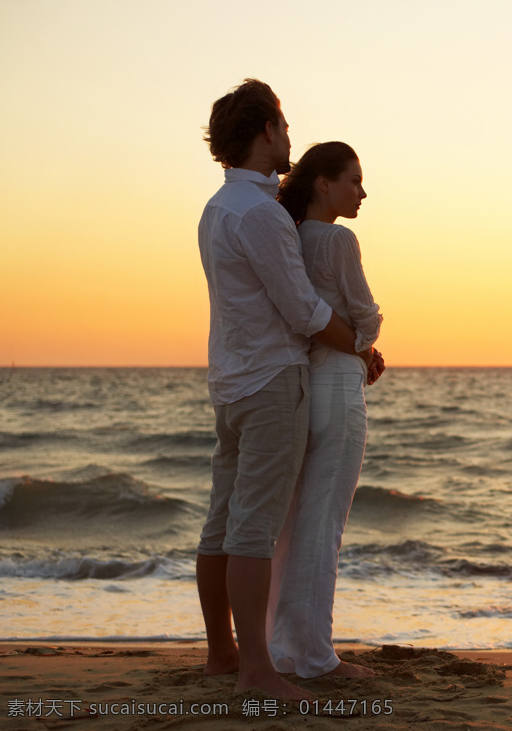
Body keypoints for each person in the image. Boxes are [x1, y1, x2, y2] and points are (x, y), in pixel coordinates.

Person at [195, 80, 374, 699]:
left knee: (221, 524)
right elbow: (301, 310)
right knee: (254, 530)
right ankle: (257, 671)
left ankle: (223, 654)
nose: (291, 137)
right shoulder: (262, 215)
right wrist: (362, 345)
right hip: (273, 381)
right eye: (285, 125)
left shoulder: (218, 209)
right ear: (267, 130)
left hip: (229, 381)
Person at [268, 141, 384, 679]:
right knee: (323, 525)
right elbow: (365, 317)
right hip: (339, 387)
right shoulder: (339, 239)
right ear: (323, 183)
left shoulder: (289, 237)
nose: (362, 192)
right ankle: (315, 655)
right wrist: (367, 343)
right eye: (353, 180)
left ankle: (283, 648)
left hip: (305, 385)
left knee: (295, 523)